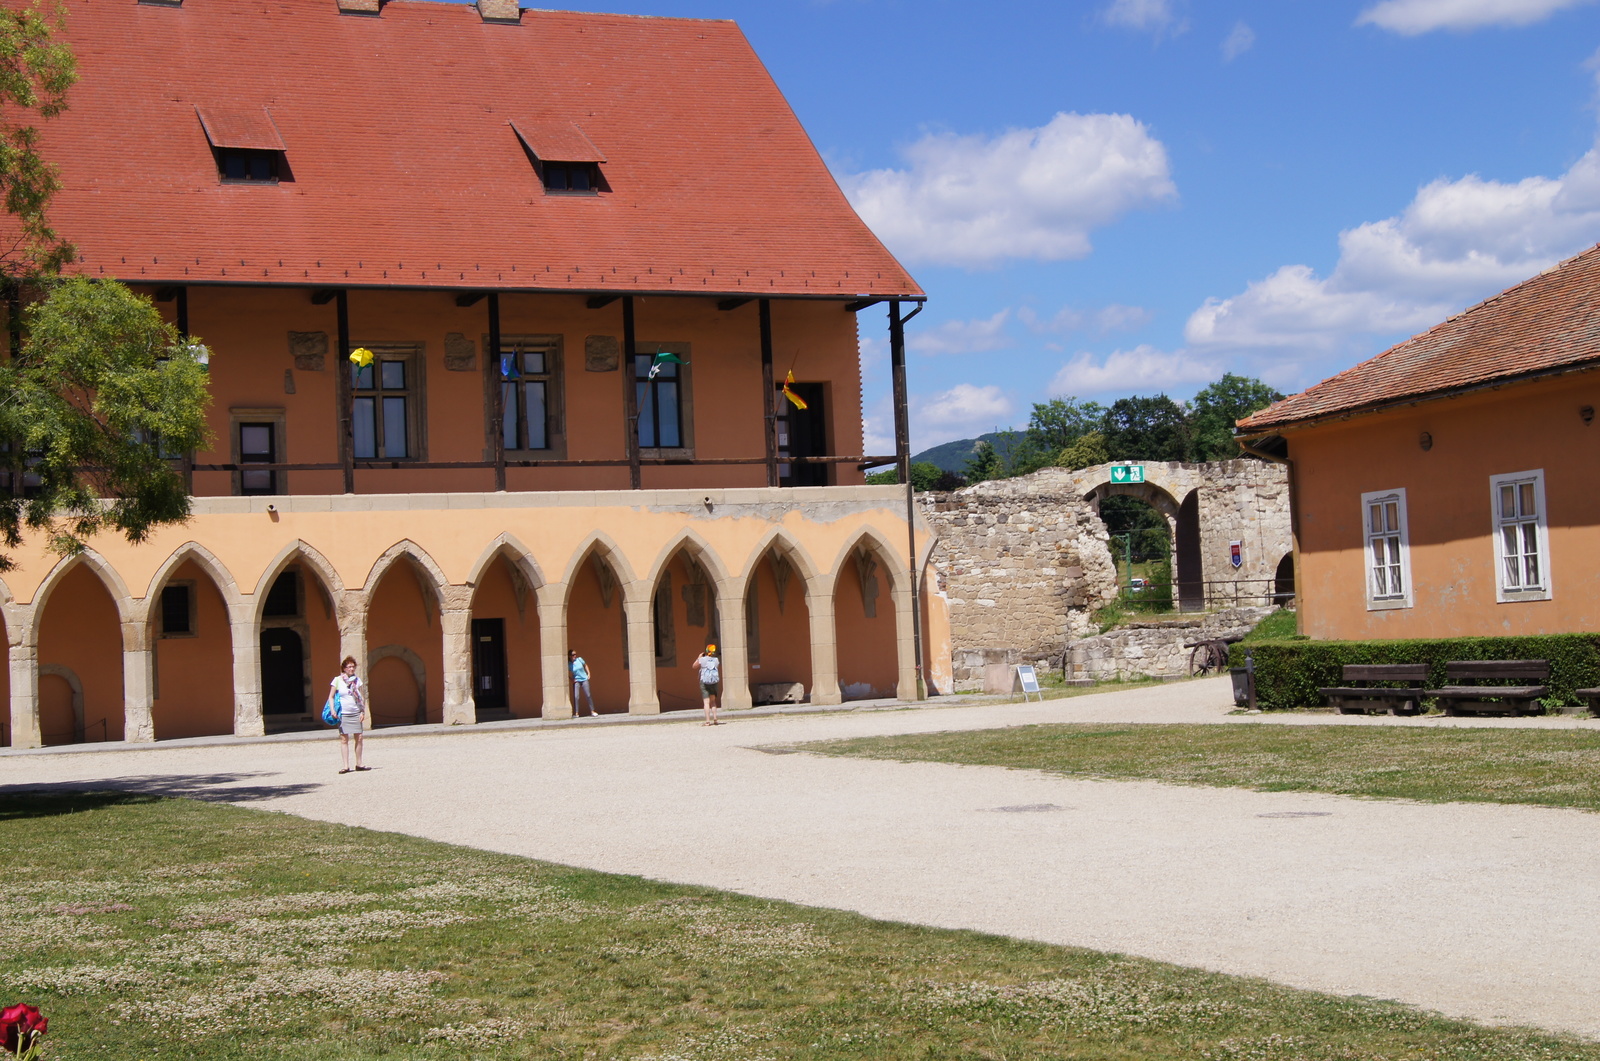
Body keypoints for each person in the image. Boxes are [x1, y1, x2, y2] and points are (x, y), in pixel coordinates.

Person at [331, 656, 371, 773]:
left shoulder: (357, 681)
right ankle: (346, 765)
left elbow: (361, 697)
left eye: (353, 667)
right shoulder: (337, 680)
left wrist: (363, 711)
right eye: (349, 667)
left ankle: (359, 763)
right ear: (344, 668)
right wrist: (333, 710)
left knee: (359, 737)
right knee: (344, 739)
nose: (351, 669)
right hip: (343, 713)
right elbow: (331, 696)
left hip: (355, 712)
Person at [693, 643, 721, 725]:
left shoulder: (703, 659)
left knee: (706, 702)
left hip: (704, 682)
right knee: (713, 701)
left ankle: (708, 721)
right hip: (713, 682)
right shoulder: (716, 660)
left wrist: (699, 657)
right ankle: (715, 719)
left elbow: (694, 666)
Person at [569, 649, 598, 717]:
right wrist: (571, 680)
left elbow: (585, 665)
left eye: (575, 654)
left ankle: (592, 711)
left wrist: (588, 673)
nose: (575, 656)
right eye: (573, 655)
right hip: (577, 681)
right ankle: (576, 713)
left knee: (588, 695)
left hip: (584, 679)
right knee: (576, 696)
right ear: (570, 656)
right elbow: (565, 673)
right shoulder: (569, 664)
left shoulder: (579, 659)